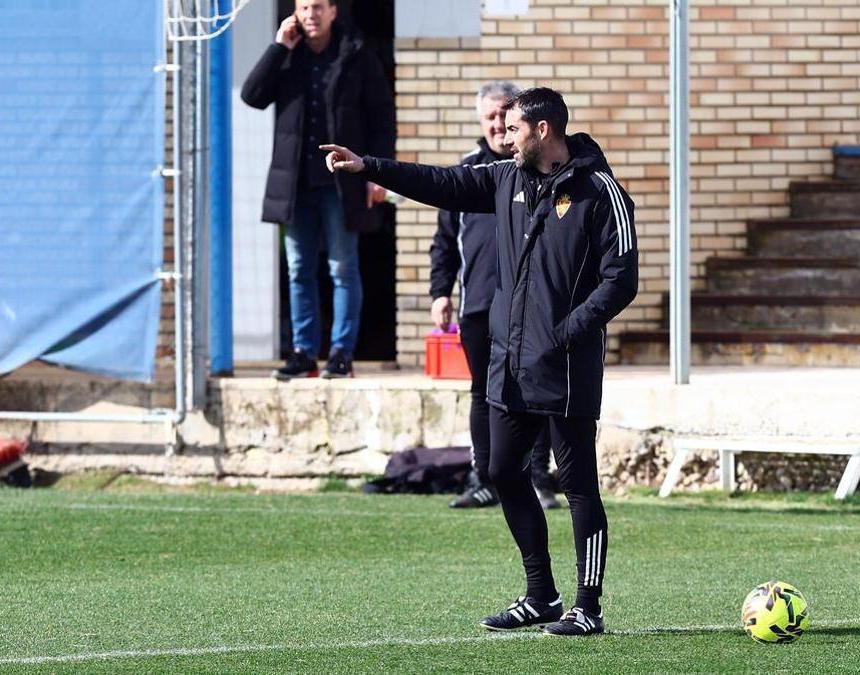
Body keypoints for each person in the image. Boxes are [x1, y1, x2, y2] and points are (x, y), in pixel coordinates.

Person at [321, 87, 638, 636]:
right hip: (508, 362)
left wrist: (567, 333)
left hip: (564, 364)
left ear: (543, 130)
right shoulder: (504, 179)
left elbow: (622, 280)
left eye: (514, 129)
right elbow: (440, 182)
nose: (505, 137)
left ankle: (588, 606)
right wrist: (367, 165)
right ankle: (540, 594)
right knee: (499, 471)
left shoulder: (600, 192)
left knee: (578, 483)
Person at [240, 0, 394, 380]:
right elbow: (252, 95)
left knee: (343, 268)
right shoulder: (287, 55)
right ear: (296, 11)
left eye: (319, 6)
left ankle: (341, 353)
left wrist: (378, 174)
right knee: (298, 269)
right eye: (305, 7)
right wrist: (278, 48)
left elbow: (381, 117)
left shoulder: (357, 55)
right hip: (295, 183)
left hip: (341, 182)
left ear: (333, 12)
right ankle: (303, 353)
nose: (311, 14)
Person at [434, 81, 559, 511]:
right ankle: (483, 477)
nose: (496, 126)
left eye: (503, 117)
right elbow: (444, 241)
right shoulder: (467, 172)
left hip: (529, 309)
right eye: (488, 117)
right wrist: (439, 292)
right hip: (479, 304)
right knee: (481, 393)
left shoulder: (537, 172)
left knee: (535, 391)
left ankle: (539, 478)